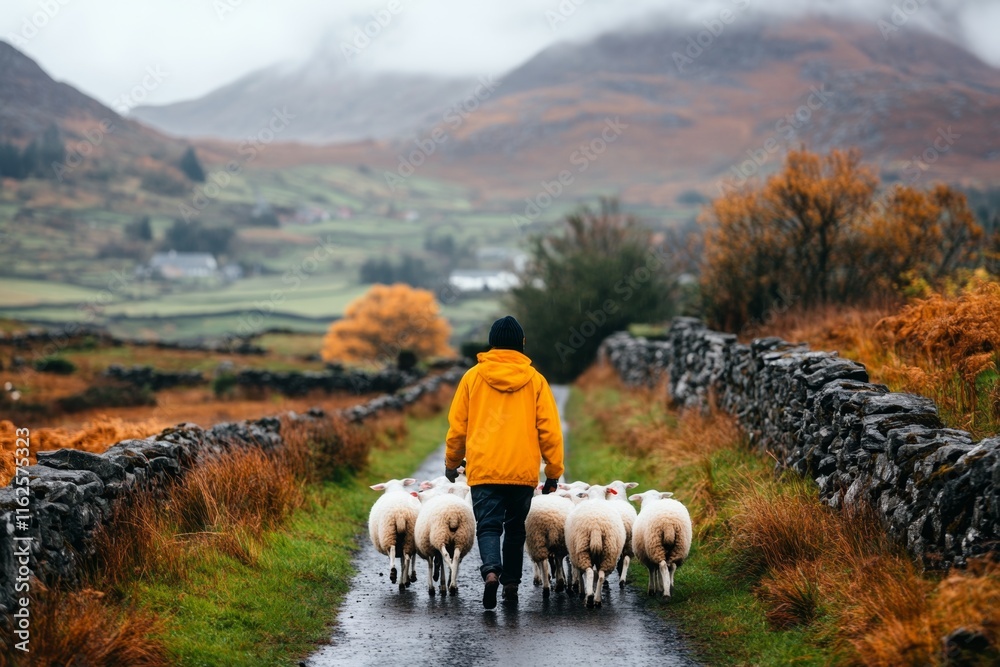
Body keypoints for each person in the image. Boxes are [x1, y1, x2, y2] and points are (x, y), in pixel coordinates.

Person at [445, 315, 564, 610]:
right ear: (521, 344)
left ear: (491, 343)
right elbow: (550, 430)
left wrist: (451, 462)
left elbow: (458, 426)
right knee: (515, 529)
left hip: (484, 469)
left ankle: (491, 573)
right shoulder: (535, 380)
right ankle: (511, 584)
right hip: (522, 471)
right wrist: (553, 471)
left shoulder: (472, 377)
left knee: (488, 527)